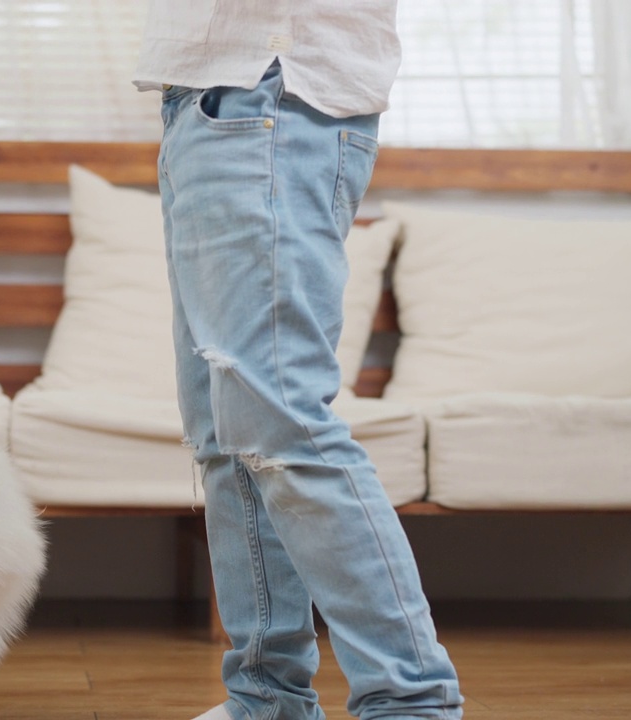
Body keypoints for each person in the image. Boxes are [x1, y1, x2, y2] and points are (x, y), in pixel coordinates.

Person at [134, 3, 464, 719]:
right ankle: (265, 701)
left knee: (279, 419)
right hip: (213, 97)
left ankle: (413, 703)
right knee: (225, 435)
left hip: (271, 89)